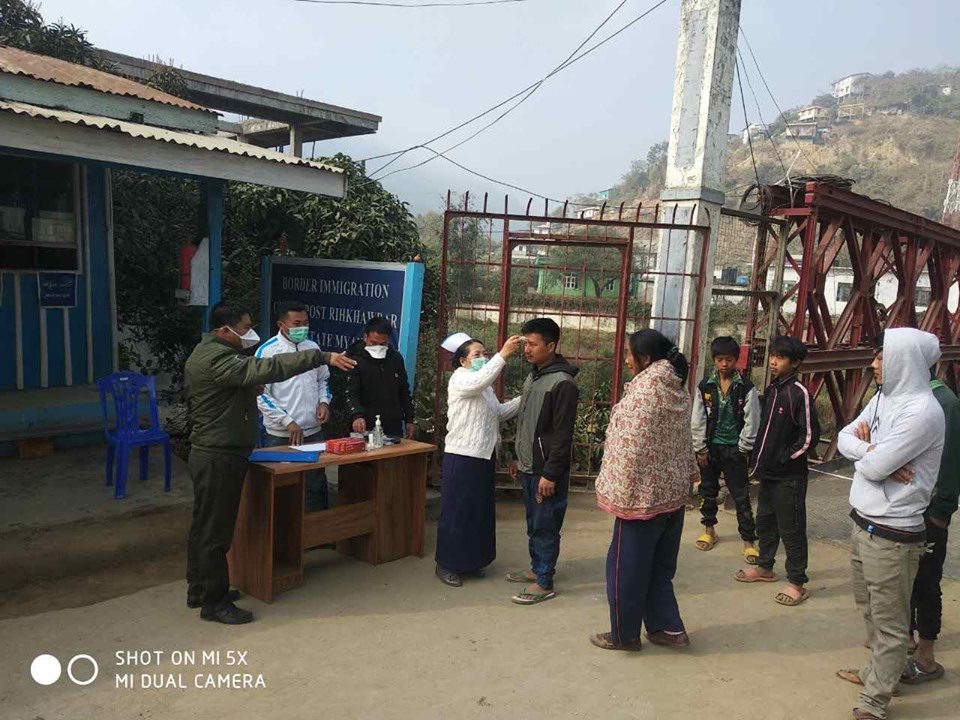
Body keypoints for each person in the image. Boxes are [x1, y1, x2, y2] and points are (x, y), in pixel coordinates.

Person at [184, 301, 356, 624]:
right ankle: (214, 603)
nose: (249, 332)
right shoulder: (216, 357)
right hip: (218, 454)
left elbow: (232, 390)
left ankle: (201, 590)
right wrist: (321, 357)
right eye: (245, 327)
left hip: (220, 450)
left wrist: (248, 389)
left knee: (205, 525)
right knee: (215, 531)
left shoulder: (214, 353)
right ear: (226, 330)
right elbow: (270, 368)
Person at [835, 328, 944, 720]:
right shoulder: (883, 398)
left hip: (893, 533)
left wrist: (873, 459)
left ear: (904, 361)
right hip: (863, 522)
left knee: (891, 623)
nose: (873, 364)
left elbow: (874, 467)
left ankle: (875, 701)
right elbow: (843, 438)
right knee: (869, 608)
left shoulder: (923, 412)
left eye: (881, 357)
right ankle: (878, 674)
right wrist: (873, 452)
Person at [590, 330, 699, 651]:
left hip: (641, 499)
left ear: (646, 358)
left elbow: (628, 447)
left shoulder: (646, 391)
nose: (625, 360)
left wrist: (618, 492)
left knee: (625, 569)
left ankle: (624, 635)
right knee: (659, 569)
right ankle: (668, 628)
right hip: (671, 496)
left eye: (629, 354)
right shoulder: (675, 386)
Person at [734, 335, 820, 607]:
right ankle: (765, 567)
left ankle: (797, 582)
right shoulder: (773, 389)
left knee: (791, 529)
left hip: (789, 477)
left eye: (780, 357)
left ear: (795, 363)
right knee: (765, 522)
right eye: (772, 355)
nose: (773, 361)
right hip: (768, 474)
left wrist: (785, 458)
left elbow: (809, 437)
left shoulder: (799, 393)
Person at [434, 333, 523, 587]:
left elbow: (499, 412)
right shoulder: (461, 379)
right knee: (457, 511)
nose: (483, 357)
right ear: (463, 361)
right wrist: (503, 354)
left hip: (484, 455)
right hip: (462, 455)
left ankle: (472, 561)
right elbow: (480, 380)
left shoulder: (485, 388)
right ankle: (447, 563)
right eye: (477, 354)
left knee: (478, 512)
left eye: (485, 353)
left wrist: (525, 397)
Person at [506, 318, 579, 605]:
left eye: (533, 344)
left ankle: (545, 581)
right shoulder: (534, 377)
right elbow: (527, 424)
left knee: (546, 525)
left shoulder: (562, 384)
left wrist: (550, 474)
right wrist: (518, 457)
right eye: (525, 344)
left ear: (551, 346)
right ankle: (537, 568)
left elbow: (562, 435)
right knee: (533, 522)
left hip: (546, 471)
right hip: (530, 466)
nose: (527, 349)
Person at [902, 368, 960, 684]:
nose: (876, 366)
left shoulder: (945, 402)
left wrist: (942, 509)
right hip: (904, 508)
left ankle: (926, 655)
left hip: (930, 510)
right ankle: (906, 638)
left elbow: (952, 461)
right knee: (902, 577)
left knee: (925, 580)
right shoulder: (905, 396)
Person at [256, 301, 332, 512]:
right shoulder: (267, 351)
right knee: (283, 486)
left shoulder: (313, 348)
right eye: (297, 324)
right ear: (281, 325)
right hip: (282, 434)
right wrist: (288, 422)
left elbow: (323, 380)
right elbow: (260, 395)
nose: (302, 328)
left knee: (315, 484)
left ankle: (315, 528)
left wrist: (324, 402)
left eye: (305, 323)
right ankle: (282, 529)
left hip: (313, 431)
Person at [691, 336, 760, 563]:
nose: (724, 364)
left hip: (735, 449)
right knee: (708, 491)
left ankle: (749, 540)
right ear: (714, 360)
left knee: (740, 495)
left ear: (736, 360)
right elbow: (698, 418)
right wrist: (700, 447)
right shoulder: (705, 386)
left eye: (729, 359)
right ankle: (709, 530)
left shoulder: (746, 387)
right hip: (710, 449)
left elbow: (752, 420)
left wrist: (745, 448)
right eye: (720, 359)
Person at [345, 316, 415, 439]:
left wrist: (409, 419)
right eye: (373, 343)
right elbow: (350, 392)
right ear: (365, 337)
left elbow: (404, 390)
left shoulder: (395, 359)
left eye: (382, 344)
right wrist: (357, 415)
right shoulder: (354, 360)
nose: (378, 347)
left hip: (392, 425)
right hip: (364, 425)